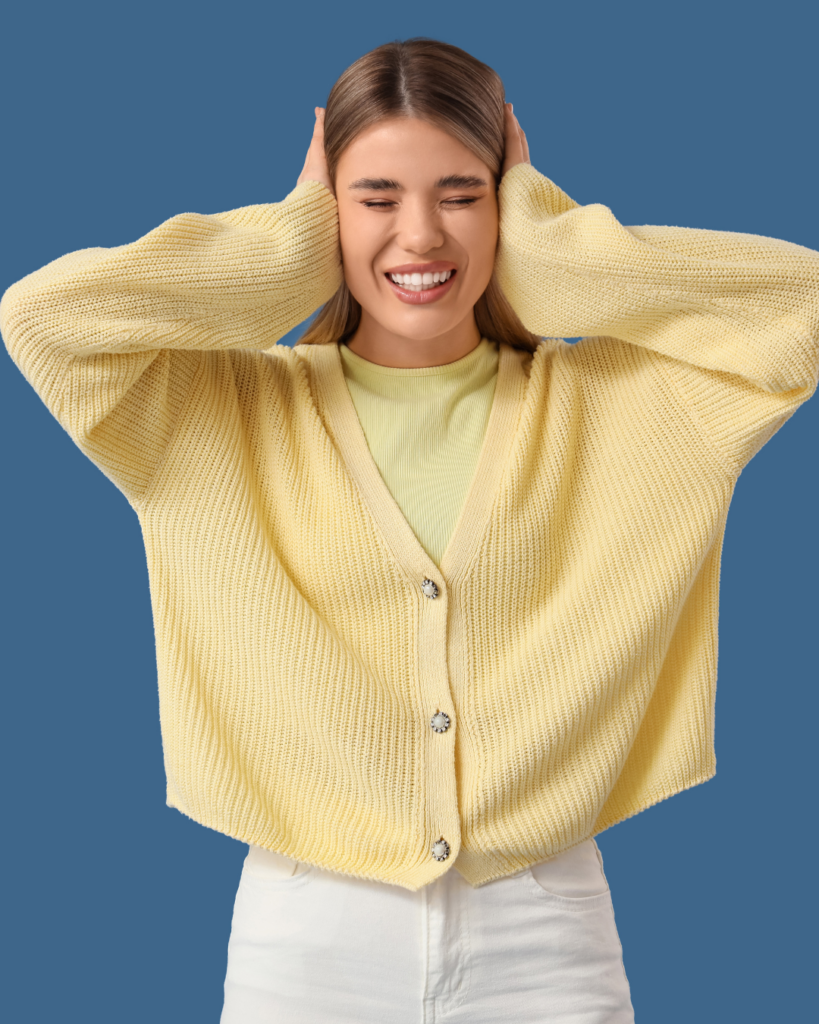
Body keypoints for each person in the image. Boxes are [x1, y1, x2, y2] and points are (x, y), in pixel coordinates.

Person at [1, 35, 817, 1024]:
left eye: (463, 194)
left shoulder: (632, 409)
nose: (421, 236)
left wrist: (556, 254)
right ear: (327, 207)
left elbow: (798, 308)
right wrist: (282, 252)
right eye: (376, 197)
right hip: (307, 929)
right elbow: (44, 319)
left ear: (507, 199)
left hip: (543, 927)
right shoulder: (210, 413)